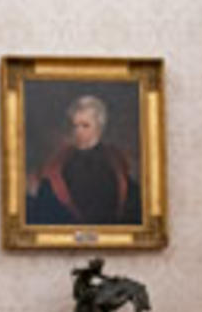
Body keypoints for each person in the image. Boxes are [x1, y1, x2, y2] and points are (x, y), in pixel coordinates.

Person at [26, 95, 141, 226]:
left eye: (85, 126)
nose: (78, 131)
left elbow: (130, 207)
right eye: (75, 126)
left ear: (100, 127)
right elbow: (45, 210)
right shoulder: (57, 163)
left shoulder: (116, 161)